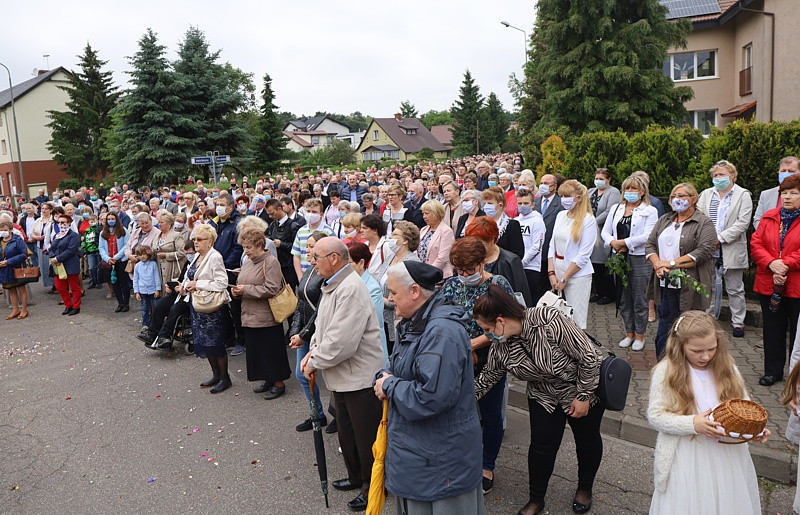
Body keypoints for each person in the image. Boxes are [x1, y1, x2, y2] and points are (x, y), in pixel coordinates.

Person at [473, 284, 604, 515]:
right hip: (543, 395)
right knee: (541, 448)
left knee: (587, 441)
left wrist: (583, 395)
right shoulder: (501, 347)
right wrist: (458, 400)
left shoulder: (548, 320)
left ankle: (585, 488)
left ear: (501, 321)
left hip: (581, 387)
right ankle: (536, 499)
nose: (486, 336)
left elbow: (589, 357)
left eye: (486, 329)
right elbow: (487, 378)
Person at [374, 261, 485, 514]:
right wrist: (384, 378)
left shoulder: (441, 333)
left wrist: (389, 385)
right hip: (421, 453)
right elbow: (397, 367)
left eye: (393, 293)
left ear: (415, 292)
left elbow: (431, 398)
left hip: (439, 459)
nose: (390, 300)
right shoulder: (417, 322)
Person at [647, 311, 768, 514]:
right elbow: (656, 415)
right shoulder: (666, 372)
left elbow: (744, 406)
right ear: (680, 345)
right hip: (686, 456)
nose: (705, 356)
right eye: (697, 351)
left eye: (712, 349)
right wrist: (693, 423)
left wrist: (753, 429)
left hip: (727, 455)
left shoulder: (727, 369)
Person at [300, 237, 384, 512]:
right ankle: (356, 476)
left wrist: (316, 361)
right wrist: (313, 351)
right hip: (342, 375)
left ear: (334, 258)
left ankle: (371, 487)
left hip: (359, 376)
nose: (312, 262)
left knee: (365, 437)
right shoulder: (333, 285)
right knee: (347, 434)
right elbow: (323, 328)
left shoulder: (350, 287)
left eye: (316, 257)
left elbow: (342, 340)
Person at [440, 237, 515, 496]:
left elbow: (507, 326)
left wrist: (472, 345)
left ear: (482, 263)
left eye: (469, 270)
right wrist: (461, 347)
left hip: (491, 361)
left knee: (491, 414)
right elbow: (442, 321)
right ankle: (461, 460)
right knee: (458, 414)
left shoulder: (498, 284)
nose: (463, 275)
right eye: (458, 270)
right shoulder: (450, 285)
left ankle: (487, 466)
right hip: (458, 361)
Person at [646, 183, 717, 360]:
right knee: (665, 328)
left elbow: (703, 251)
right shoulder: (665, 220)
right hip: (665, 282)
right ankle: (664, 365)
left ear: (694, 199)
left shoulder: (703, 222)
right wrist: (658, 265)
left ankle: (686, 366)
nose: (678, 199)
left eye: (683, 196)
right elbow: (650, 244)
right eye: (675, 196)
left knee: (688, 328)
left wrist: (669, 264)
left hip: (690, 285)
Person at [751, 174, 800, 386]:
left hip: (796, 284)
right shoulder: (770, 216)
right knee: (772, 329)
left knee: (798, 332)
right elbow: (756, 243)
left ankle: (795, 374)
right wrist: (772, 263)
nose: (788, 197)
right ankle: (773, 370)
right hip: (769, 282)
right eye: (785, 193)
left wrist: (785, 264)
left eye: (794, 193)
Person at [231, 227, 290, 400]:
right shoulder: (249, 262)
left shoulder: (271, 262)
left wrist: (245, 290)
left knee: (270, 351)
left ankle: (279, 383)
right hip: (250, 313)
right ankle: (267, 379)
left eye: (248, 247)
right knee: (258, 350)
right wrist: (237, 291)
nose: (245, 251)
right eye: (244, 247)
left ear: (260, 245)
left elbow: (272, 288)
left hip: (266, 315)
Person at [601, 175, 658, 351]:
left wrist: (625, 243)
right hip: (618, 258)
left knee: (639, 298)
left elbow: (648, 235)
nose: (630, 192)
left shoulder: (650, 210)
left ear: (642, 192)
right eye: (627, 189)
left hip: (639, 258)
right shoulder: (616, 208)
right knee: (623, 297)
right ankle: (629, 333)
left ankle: (640, 335)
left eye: (634, 189)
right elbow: (605, 230)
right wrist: (613, 243)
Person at [697, 160, 753, 338]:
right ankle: (709, 319)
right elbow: (699, 216)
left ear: (732, 176)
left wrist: (720, 239)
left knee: (735, 287)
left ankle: (738, 322)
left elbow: (743, 223)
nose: (718, 178)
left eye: (722, 174)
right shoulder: (706, 194)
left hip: (731, 247)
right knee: (710, 285)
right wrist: (708, 240)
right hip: (708, 248)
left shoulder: (743, 195)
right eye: (715, 175)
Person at [177, 224, 232, 394]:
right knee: (204, 342)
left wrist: (198, 284)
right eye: (194, 239)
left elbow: (222, 283)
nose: (196, 242)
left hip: (212, 307)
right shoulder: (197, 256)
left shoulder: (214, 256)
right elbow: (189, 276)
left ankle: (225, 378)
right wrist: (184, 287)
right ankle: (215, 375)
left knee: (215, 343)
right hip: (198, 305)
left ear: (210, 241)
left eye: (199, 239)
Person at [289, 232, 329, 432]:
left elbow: (320, 310)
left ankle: (338, 415)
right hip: (304, 332)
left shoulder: (325, 275)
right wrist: (295, 331)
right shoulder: (308, 272)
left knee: (332, 377)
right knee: (301, 374)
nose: (307, 249)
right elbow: (300, 304)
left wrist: (302, 334)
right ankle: (317, 414)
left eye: (311, 246)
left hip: (317, 332)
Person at [546, 180, 597, 330]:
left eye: (567, 196)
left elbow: (583, 255)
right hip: (558, 268)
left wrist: (564, 278)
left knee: (576, 320)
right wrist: (551, 273)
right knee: (559, 318)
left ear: (579, 198)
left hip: (577, 274)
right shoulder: (561, 215)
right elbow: (551, 245)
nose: (563, 199)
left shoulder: (588, 220)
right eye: (561, 196)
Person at [465, 216, 532, 307]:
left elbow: (522, 296)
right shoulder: (467, 257)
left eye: (479, 242)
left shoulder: (510, 261)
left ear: (492, 240)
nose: (474, 246)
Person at [210, 193, 245, 356]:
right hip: (217, 273)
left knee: (236, 310)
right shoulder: (216, 223)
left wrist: (223, 265)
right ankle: (229, 337)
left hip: (231, 272)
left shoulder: (237, 224)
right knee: (222, 308)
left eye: (222, 204)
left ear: (231, 207)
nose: (219, 207)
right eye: (217, 204)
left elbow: (238, 249)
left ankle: (241, 340)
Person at [380, 221, 421, 353]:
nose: (390, 237)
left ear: (405, 241)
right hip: (384, 318)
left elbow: (410, 297)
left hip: (398, 320)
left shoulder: (412, 262)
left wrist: (385, 301)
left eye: (395, 234)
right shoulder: (391, 257)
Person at [346, 241, 388, 363]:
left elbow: (368, 320)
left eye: (348, 263)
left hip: (371, 349)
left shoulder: (372, 288)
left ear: (361, 263)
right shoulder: (349, 282)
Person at [588, 168, 621, 305]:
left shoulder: (613, 192)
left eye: (601, 179)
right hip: (589, 232)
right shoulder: (590, 191)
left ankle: (608, 294)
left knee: (603, 265)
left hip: (602, 231)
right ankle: (598, 291)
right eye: (597, 178)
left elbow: (609, 211)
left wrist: (593, 222)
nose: (598, 181)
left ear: (608, 179)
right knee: (593, 265)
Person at [534, 174, 564, 301]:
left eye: (546, 183)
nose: (542, 186)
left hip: (550, 251)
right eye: (541, 182)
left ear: (554, 187)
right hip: (535, 253)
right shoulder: (535, 203)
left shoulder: (561, 204)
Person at [291, 198, 333, 283]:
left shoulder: (328, 231)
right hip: (304, 275)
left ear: (321, 214)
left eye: (314, 212)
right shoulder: (301, 231)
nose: (310, 214)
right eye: (308, 211)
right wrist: (300, 277)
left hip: (322, 277)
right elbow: (296, 255)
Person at [516, 187, 546, 304]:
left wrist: (523, 262)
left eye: (526, 203)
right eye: (520, 203)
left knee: (530, 301)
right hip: (517, 267)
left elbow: (537, 246)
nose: (522, 206)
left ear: (533, 204)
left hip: (531, 268)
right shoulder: (515, 220)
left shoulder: (537, 221)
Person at [49, 214, 83, 315]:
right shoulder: (57, 235)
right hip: (57, 265)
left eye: (63, 222)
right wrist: (53, 257)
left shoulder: (74, 236)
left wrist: (58, 258)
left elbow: (71, 250)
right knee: (60, 287)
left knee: (74, 286)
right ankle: (68, 305)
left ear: (69, 223)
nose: (61, 224)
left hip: (70, 263)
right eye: (59, 222)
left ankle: (76, 306)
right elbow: (52, 248)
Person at [754, 156, 800, 230]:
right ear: (778, 172)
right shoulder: (766, 195)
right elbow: (757, 220)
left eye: (791, 171)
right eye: (783, 171)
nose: (786, 174)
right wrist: (769, 234)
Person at [266, 198, 301, 289]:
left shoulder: (293, 225)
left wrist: (281, 244)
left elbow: (297, 247)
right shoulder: (272, 225)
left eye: (272, 213)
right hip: (276, 265)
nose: (270, 216)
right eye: (268, 214)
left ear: (280, 209)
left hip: (289, 267)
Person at [99, 211, 131, 312]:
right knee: (115, 283)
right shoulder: (103, 233)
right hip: (110, 262)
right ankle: (120, 303)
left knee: (124, 283)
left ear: (116, 219)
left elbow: (126, 245)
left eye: (112, 219)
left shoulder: (123, 231)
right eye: (108, 219)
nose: (110, 221)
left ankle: (126, 303)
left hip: (121, 261)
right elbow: (101, 247)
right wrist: (107, 258)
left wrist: (116, 257)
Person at [481, 186, 525, 259]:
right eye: (485, 203)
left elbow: (518, 253)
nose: (486, 206)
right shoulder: (482, 224)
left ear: (500, 205)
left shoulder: (511, 225)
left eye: (490, 203)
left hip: (504, 267)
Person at [0, 219, 30, 319]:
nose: (2, 232)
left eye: (5, 230)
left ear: (11, 230)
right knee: (11, 290)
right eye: (1, 230)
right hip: (4, 270)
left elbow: (24, 254)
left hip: (17, 268)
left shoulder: (17, 239)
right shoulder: (0, 241)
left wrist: (9, 261)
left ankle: (24, 309)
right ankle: (15, 309)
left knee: (21, 289)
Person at [418, 199, 455, 278]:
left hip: (438, 275)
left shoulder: (446, 231)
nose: (424, 217)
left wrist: (429, 273)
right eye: (423, 213)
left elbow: (443, 257)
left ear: (436, 213)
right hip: (422, 273)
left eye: (427, 213)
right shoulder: (424, 229)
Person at [133, 245, 161, 333]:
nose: (143, 256)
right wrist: (136, 292)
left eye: (144, 254)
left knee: (155, 307)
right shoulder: (137, 266)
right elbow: (135, 279)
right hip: (142, 291)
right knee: (144, 308)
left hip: (153, 290)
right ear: (137, 256)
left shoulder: (153, 264)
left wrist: (157, 289)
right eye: (140, 254)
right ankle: (146, 324)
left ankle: (156, 324)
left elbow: (156, 276)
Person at [81, 213, 102, 289]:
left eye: (94, 220)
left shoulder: (99, 229)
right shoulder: (87, 231)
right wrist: (85, 251)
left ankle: (99, 281)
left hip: (98, 251)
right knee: (92, 267)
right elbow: (85, 241)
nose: (92, 222)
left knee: (99, 267)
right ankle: (93, 281)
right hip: (90, 252)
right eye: (90, 221)